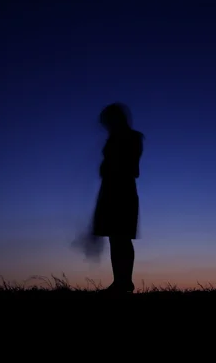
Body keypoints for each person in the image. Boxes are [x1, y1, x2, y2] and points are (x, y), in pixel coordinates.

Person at [93, 103, 144, 293]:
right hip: (112, 189)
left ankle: (124, 282)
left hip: (121, 190)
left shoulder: (130, 138)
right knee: (116, 237)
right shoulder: (118, 138)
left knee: (120, 237)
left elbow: (133, 169)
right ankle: (120, 282)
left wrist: (111, 167)